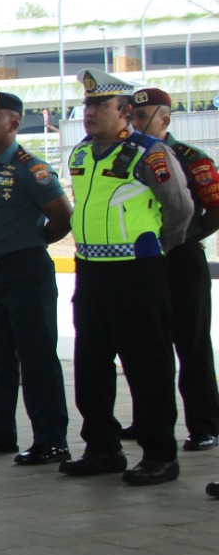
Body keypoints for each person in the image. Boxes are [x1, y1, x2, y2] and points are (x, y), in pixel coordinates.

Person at [60, 70, 191, 485]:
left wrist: (151, 249)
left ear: (125, 112)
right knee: (91, 366)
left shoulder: (148, 152)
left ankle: (159, 455)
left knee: (146, 366)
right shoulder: (80, 154)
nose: (90, 113)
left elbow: (180, 211)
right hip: (92, 271)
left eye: (100, 106)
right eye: (87, 105)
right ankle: (102, 448)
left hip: (138, 272)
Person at [0, 91, 73, 465]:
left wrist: (28, 243)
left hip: (25, 272)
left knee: (37, 357)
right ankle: (1, 432)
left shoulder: (30, 168)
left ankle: (51, 438)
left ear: (14, 123)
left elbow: (62, 216)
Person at [129, 86, 219, 452]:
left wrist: (183, 237)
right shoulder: (126, 156)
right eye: (131, 115)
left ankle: (204, 425)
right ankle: (149, 421)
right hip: (141, 262)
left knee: (192, 343)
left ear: (165, 118)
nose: (134, 123)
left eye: (142, 116)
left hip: (181, 260)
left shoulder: (190, 158)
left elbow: (215, 209)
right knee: (147, 346)